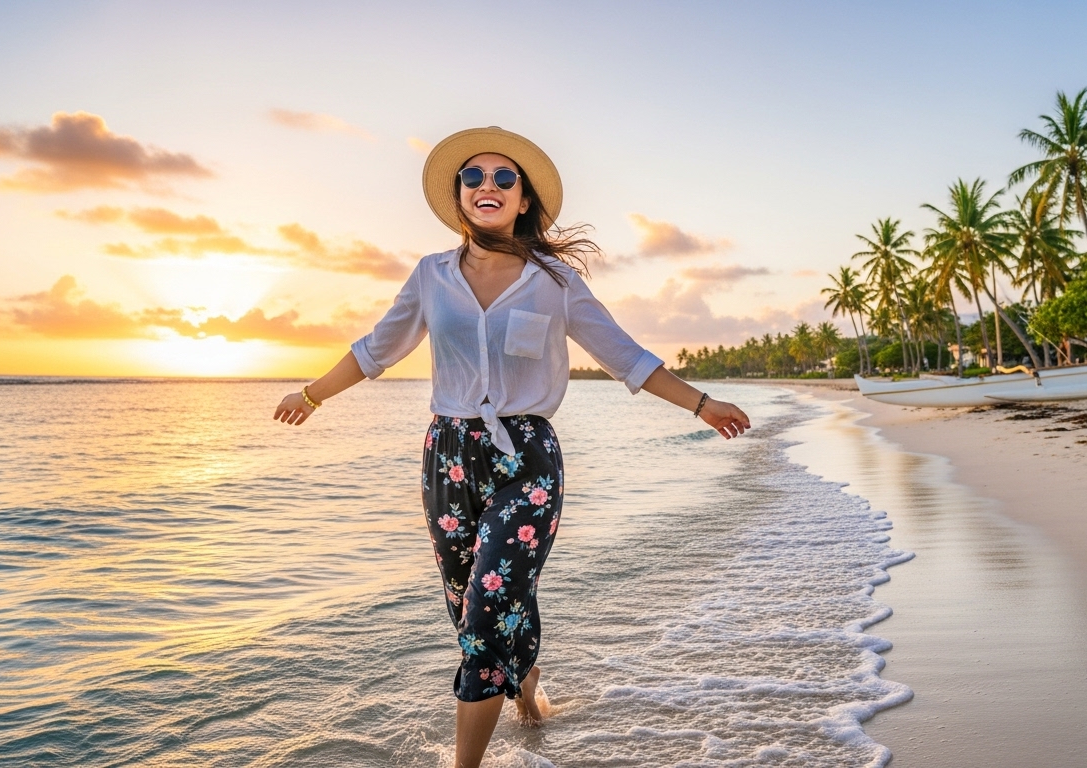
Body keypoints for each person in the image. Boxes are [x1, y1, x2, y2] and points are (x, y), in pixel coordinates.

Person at [272, 126, 751, 767]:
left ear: (523, 199)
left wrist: (700, 403)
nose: (487, 185)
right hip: (447, 456)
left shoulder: (554, 281)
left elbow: (624, 355)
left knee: (486, 610)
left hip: (527, 458)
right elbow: (375, 349)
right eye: (473, 176)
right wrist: (311, 394)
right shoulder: (432, 275)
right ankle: (526, 686)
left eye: (504, 177)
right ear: (460, 197)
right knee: (467, 606)